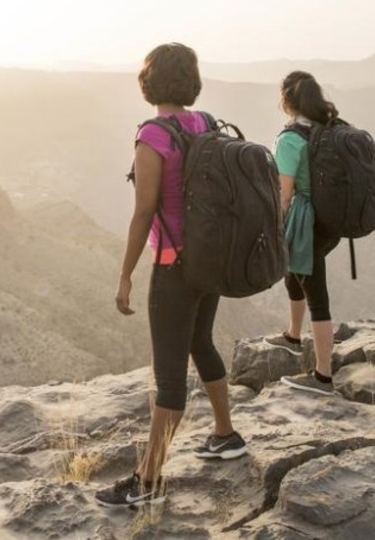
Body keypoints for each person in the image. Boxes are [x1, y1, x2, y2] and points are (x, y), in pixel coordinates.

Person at [95, 43, 247, 509]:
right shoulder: (206, 123)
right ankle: (225, 434)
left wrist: (125, 275)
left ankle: (147, 481)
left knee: (169, 377)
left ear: (149, 81)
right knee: (202, 343)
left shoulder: (153, 135)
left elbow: (144, 212)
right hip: (209, 261)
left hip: (172, 266)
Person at [264, 71, 341, 395]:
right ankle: (293, 336)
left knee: (316, 295)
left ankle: (323, 377)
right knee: (293, 271)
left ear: (287, 100)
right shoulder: (330, 128)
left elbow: (283, 195)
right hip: (331, 220)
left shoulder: (289, 139)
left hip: (306, 222)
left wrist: (272, 227)